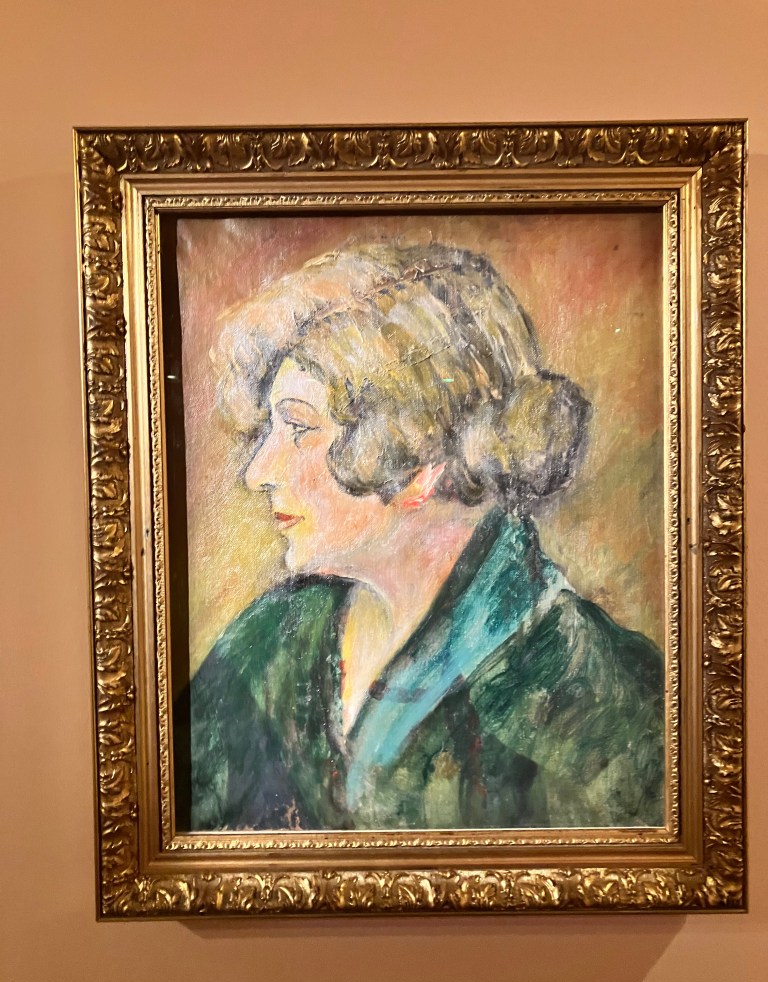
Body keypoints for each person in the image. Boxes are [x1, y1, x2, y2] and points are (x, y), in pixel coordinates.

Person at [185, 242, 664, 833]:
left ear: (419, 467)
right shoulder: (264, 644)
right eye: (270, 430)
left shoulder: (603, 703)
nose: (258, 472)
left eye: (300, 428)